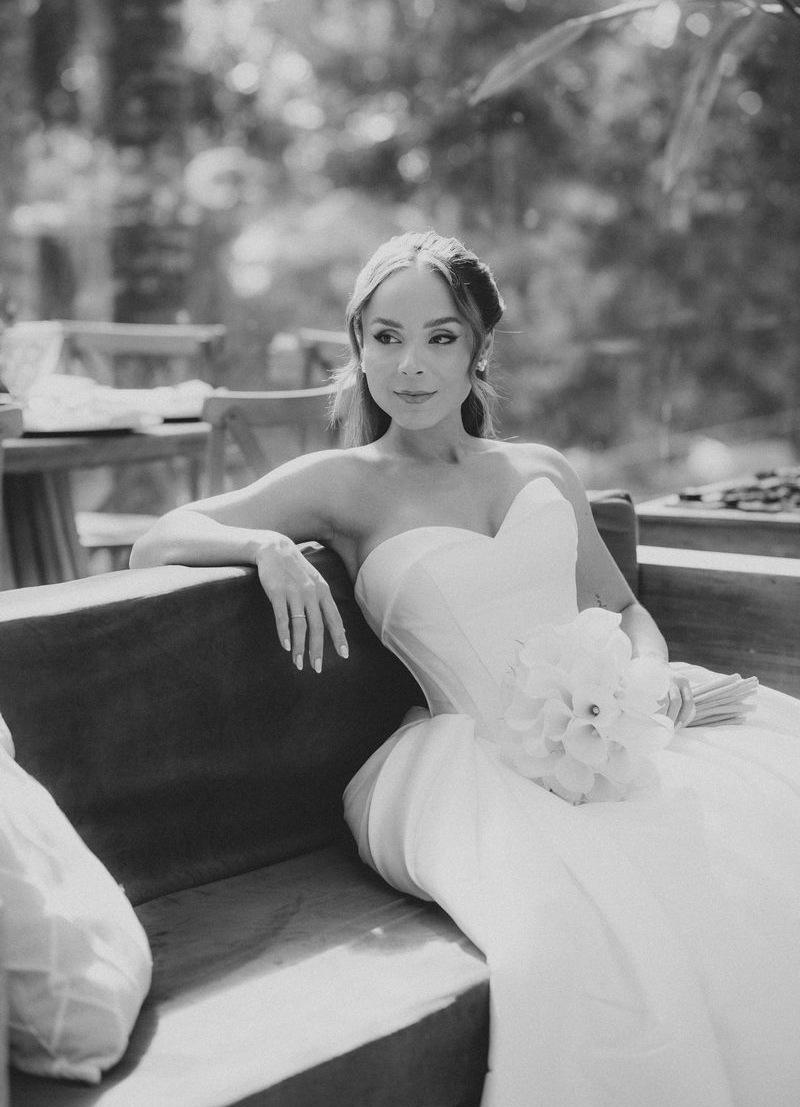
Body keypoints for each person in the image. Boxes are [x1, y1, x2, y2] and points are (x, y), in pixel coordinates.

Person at [131, 231, 800, 1107]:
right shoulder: (344, 484)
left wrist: (649, 679)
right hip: (479, 770)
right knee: (574, 938)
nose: (410, 365)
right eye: (386, 337)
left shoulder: (541, 468)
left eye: (440, 337)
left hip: (620, 731)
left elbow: (624, 609)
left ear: (478, 350)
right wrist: (266, 546)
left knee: (757, 856)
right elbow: (158, 537)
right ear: (359, 346)